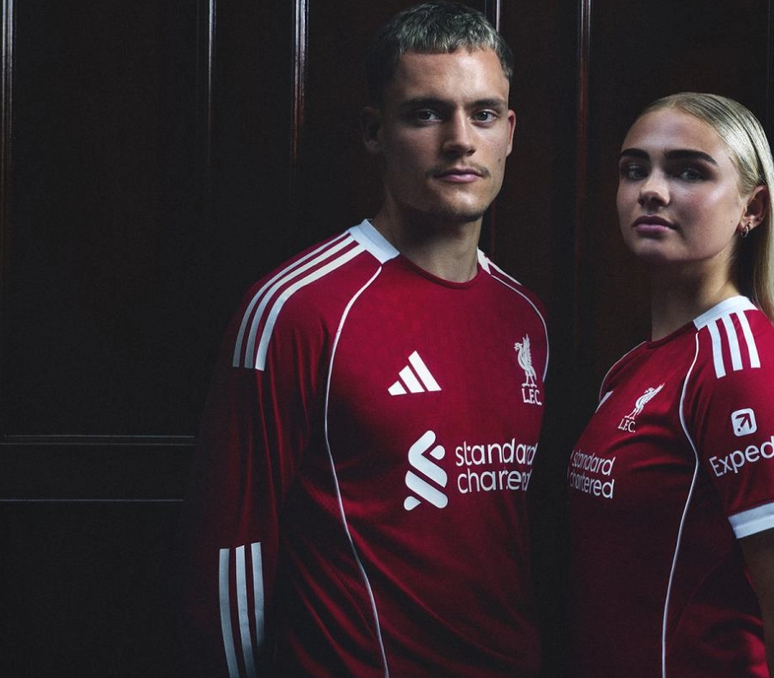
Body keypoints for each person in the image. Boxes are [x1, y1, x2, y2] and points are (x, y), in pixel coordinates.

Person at [176, 4, 548, 677]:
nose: (461, 140)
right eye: (426, 114)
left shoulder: (527, 319)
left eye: (484, 114)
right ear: (376, 131)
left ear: (510, 132)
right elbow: (232, 555)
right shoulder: (297, 309)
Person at [565, 93, 774, 677]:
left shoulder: (743, 373)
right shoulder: (634, 366)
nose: (651, 190)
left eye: (689, 172)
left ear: (752, 209)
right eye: (634, 169)